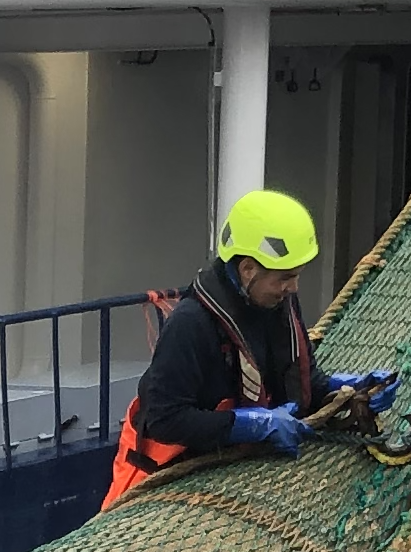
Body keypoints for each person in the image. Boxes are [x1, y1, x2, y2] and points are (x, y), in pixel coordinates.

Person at [101, 189, 324, 504]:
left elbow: (300, 381)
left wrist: (345, 390)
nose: (293, 288)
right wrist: (251, 425)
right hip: (158, 481)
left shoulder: (278, 305)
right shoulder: (190, 324)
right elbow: (165, 420)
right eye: (285, 278)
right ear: (248, 269)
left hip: (226, 471)